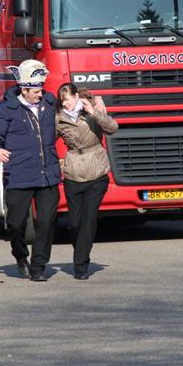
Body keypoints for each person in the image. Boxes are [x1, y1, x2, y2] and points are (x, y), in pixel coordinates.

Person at [0, 59, 61, 281]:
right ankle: (20, 255)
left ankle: (38, 266)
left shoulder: (49, 103)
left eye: (41, 90)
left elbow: (70, 110)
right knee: (16, 224)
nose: (40, 94)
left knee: (46, 222)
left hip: (48, 174)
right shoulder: (6, 109)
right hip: (19, 174)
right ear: (23, 90)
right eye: (36, 91)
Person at [56, 83, 118, 280]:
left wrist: (94, 112)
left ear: (76, 96)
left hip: (96, 171)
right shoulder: (59, 118)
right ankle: (81, 252)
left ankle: (80, 264)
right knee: (74, 223)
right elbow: (47, 140)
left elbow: (112, 128)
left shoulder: (92, 110)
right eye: (62, 101)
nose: (65, 104)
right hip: (73, 173)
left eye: (67, 99)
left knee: (89, 219)